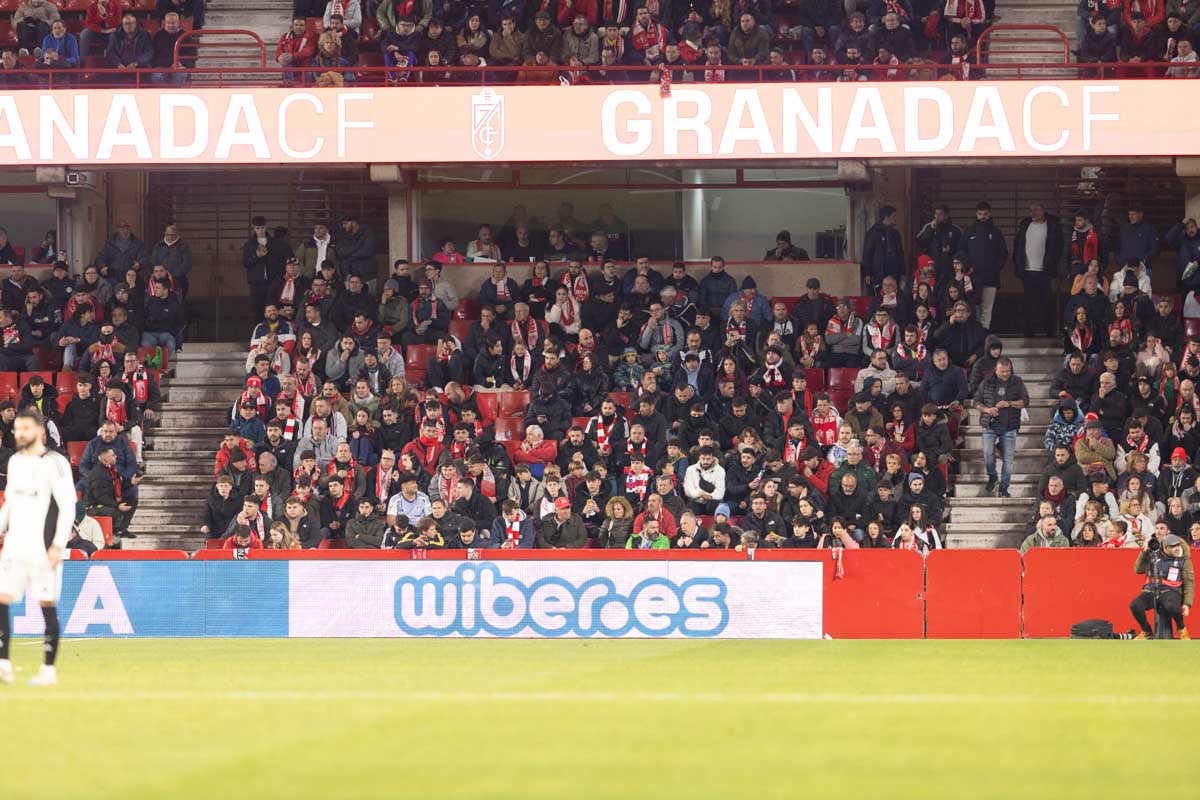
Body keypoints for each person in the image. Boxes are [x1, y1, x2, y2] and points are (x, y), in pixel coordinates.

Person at [0, 408, 78, 687]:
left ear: (40, 432)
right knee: (2, 598)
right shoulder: (15, 462)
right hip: (15, 546)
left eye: (25, 429)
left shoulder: (55, 463)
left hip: (44, 548)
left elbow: (68, 506)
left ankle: (48, 670)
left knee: (46, 605)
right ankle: (3, 664)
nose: (19, 433)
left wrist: (58, 544)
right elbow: (11, 502)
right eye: (16, 429)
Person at [974, 357, 1029, 497]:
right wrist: (987, 410)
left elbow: (1025, 402)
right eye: (1002, 371)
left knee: (1008, 460)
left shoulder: (1017, 381)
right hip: (990, 425)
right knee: (988, 455)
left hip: (1010, 426)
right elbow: (976, 402)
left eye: (1008, 371)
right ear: (995, 370)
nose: (1005, 374)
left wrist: (1009, 403)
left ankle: (1004, 488)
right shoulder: (986, 382)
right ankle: (993, 476)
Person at [1013, 203, 1064, 338]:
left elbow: (1058, 247)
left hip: (1044, 271)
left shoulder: (1052, 226)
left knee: (1047, 301)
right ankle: (1029, 331)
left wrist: (1053, 264)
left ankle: (1049, 331)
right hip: (1027, 271)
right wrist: (1017, 264)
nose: (1033, 213)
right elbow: (1017, 245)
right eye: (1030, 210)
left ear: (1043, 210)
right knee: (1029, 303)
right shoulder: (1025, 225)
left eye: (1036, 210)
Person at [1130, 532, 1193, 639]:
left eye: (1177, 545)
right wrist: (1144, 553)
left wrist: (1187, 603)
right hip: (1151, 590)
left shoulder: (1184, 560)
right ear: (1165, 547)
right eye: (1172, 547)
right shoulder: (1153, 554)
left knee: (1172, 607)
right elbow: (1138, 570)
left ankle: (1182, 629)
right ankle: (1147, 631)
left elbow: (1189, 582)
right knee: (1135, 606)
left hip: (1171, 591)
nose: (1176, 548)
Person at [861, 205, 904, 291]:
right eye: (894, 216)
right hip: (878, 274)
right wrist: (867, 273)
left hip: (894, 274)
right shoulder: (873, 233)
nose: (896, 218)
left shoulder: (896, 234)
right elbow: (867, 254)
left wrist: (902, 272)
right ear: (887, 217)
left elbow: (900, 254)